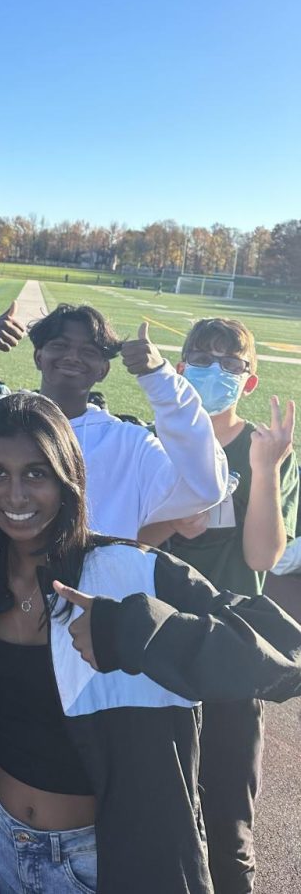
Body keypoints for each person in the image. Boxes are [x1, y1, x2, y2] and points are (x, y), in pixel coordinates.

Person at [0, 392, 301, 894]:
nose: (15, 495)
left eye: (36, 474)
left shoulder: (132, 571)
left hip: (103, 861)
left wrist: (135, 631)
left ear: (69, 479)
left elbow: (285, 651)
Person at [139, 318, 298, 894]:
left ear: (249, 381)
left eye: (231, 364)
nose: (216, 371)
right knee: (158, 804)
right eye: (202, 359)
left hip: (232, 645)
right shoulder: (153, 440)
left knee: (229, 812)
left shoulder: (265, 448)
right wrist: (168, 522)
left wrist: (263, 470)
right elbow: (127, 545)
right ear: (180, 369)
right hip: (156, 639)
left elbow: (261, 556)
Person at [0, 301, 228, 539]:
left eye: (89, 351)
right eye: (60, 345)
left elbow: (204, 486)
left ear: (104, 369)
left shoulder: (131, 445)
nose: (72, 357)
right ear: (38, 357)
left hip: (88, 622)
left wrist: (161, 380)